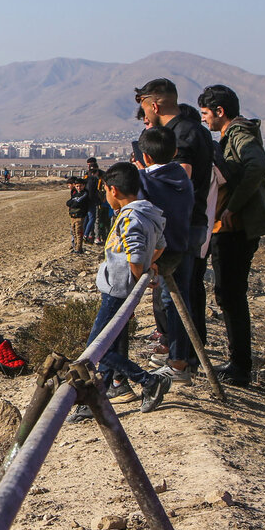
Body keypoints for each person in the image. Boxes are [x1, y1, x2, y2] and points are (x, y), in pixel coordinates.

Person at [69, 162, 171, 421]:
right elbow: (160, 245)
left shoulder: (131, 217)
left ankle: (147, 381)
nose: (104, 196)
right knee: (107, 345)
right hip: (119, 288)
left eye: (105, 192)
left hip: (117, 290)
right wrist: (150, 265)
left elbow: (136, 257)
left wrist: (140, 277)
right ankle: (98, 397)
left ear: (113, 190)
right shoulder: (149, 213)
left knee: (95, 347)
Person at [199, 84, 265, 387]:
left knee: (231, 295)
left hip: (236, 230)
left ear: (220, 111)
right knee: (229, 295)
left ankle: (240, 367)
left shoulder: (239, 134)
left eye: (206, 114)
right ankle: (238, 362)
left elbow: (258, 165)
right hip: (234, 229)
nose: (205, 120)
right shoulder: (233, 134)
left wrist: (233, 206)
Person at [135, 78, 216, 366]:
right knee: (188, 291)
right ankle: (188, 355)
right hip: (192, 222)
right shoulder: (194, 130)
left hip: (181, 225)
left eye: (145, 109)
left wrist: (143, 175)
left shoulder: (181, 134)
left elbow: (178, 181)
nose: (145, 117)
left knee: (175, 296)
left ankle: (180, 358)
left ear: (154, 105)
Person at [135, 127, 195, 384]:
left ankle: (178, 363)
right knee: (180, 302)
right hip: (183, 244)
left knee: (171, 304)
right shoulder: (181, 175)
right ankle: (179, 359)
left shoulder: (146, 181)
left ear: (146, 157)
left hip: (161, 251)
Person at [65, 177, 89, 254]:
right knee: (74, 232)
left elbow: (76, 203)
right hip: (73, 216)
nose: (79, 188)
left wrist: (73, 203)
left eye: (80, 186)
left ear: (84, 185)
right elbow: (68, 202)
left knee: (79, 232)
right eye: (77, 186)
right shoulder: (75, 194)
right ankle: (75, 247)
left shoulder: (85, 193)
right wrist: (73, 203)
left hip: (80, 216)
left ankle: (79, 248)